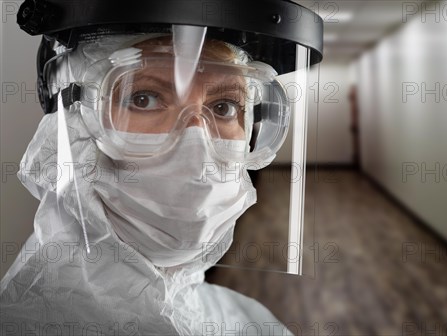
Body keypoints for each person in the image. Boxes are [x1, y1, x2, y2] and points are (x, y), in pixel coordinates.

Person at [0, 0, 323, 334]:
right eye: (143, 98)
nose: (195, 142)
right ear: (67, 124)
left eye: (224, 106)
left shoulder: (248, 324)